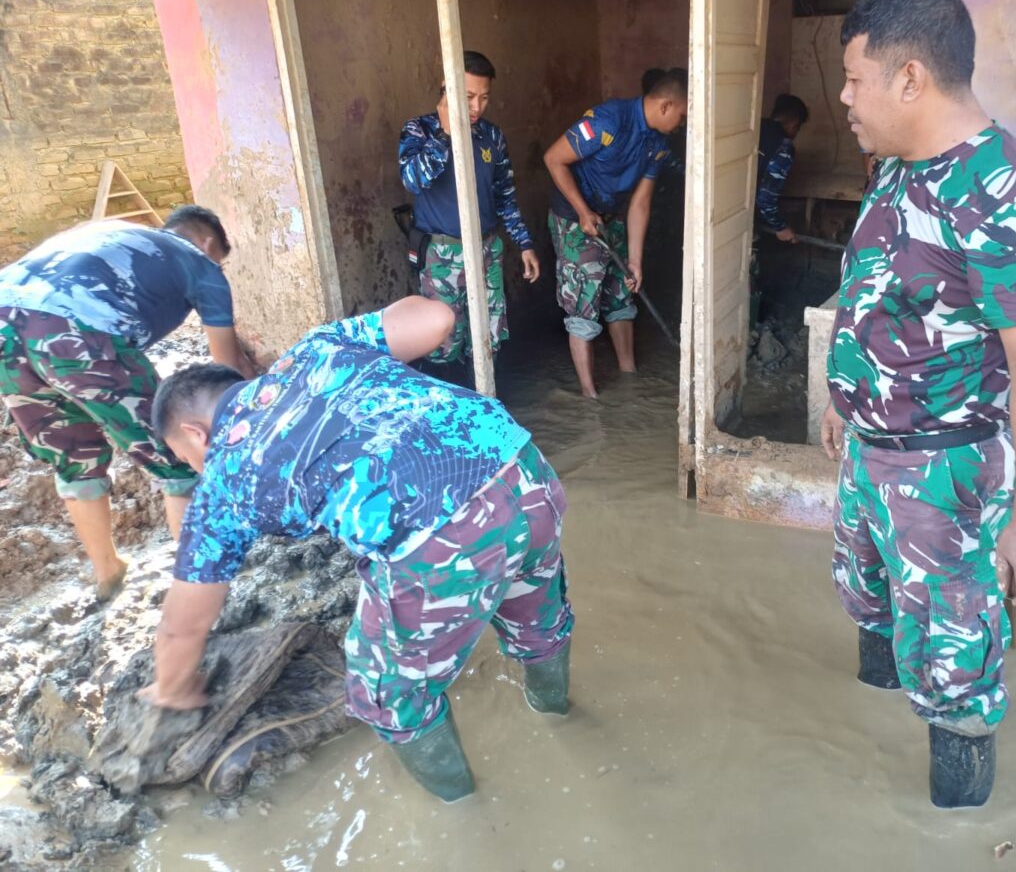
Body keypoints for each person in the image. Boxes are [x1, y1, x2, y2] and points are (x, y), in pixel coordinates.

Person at [139, 297, 574, 804]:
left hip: (437, 532)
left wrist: (171, 690)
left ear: (194, 433)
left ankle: (467, 810)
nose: (195, 467)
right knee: (538, 621)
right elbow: (437, 319)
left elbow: (184, 624)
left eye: (185, 457)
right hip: (522, 468)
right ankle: (560, 718)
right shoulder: (317, 348)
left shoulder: (223, 479)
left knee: (387, 697)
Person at [820, 0, 1016, 809]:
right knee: (867, 599)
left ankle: (950, 816)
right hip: (870, 452)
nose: (844, 97)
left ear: (910, 79)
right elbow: (875, 286)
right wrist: (844, 397)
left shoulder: (1008, 195)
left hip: (942, 474)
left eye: (855, 79)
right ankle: (855, 741)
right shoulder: (898, 168)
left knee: (953, 663)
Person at [0, 207, 256, 599]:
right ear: (209, 244)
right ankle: (200, 588)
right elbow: (225, 370)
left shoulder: (112, 231)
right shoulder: (201, 264)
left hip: (5, 324)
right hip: (77, 329)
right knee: (178, 453)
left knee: (75, 455)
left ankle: (108, 571)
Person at [543, 69, 687, 398]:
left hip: (612, 217)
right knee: (584, 301)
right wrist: (583, 211)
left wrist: (635, 261)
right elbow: (553, 158)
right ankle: (590, 395)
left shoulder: (658, 144)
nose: (682, 125)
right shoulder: (608, 121)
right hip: (575, 219)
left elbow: (640, 203)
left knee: (622, 291)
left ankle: (629, 375)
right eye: (682, 116)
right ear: (665, 106)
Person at [398, 50, 539, 368]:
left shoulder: (491, 135)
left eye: (484, 98)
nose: (477, 107)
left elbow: (505, 194)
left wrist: (524, 243)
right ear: (446, 89)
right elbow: (413, 181)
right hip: (442, 256)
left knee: (488, 339)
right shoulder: (419, 130)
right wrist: (445, 134)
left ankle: (485, 397)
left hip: (486, 250)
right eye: (468, 97)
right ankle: (445, 399)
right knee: (443, 342)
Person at [755, 93, 809, 245]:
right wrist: (780, 227)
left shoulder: (753, 128)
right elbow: (765, 199)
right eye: (798, 128)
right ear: (794, 124)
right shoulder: (784, 147)